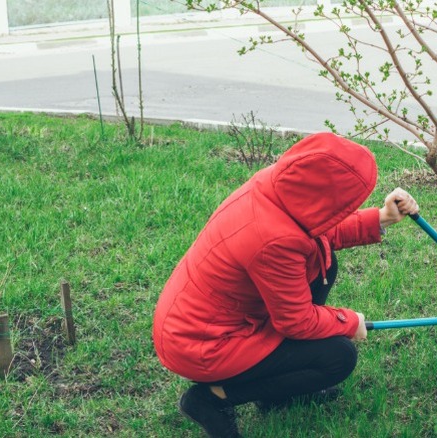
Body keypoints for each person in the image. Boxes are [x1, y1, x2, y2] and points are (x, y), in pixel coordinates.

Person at [152, 132, 419, 437]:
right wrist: (349, 321)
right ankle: (210, 399)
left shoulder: (276, 189)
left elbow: (319, 231)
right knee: (338, 357)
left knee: (323, 262)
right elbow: (297, 321)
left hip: (213, 320)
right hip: (202, 343)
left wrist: (382, 217)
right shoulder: (274, 239)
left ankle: (276, 393)